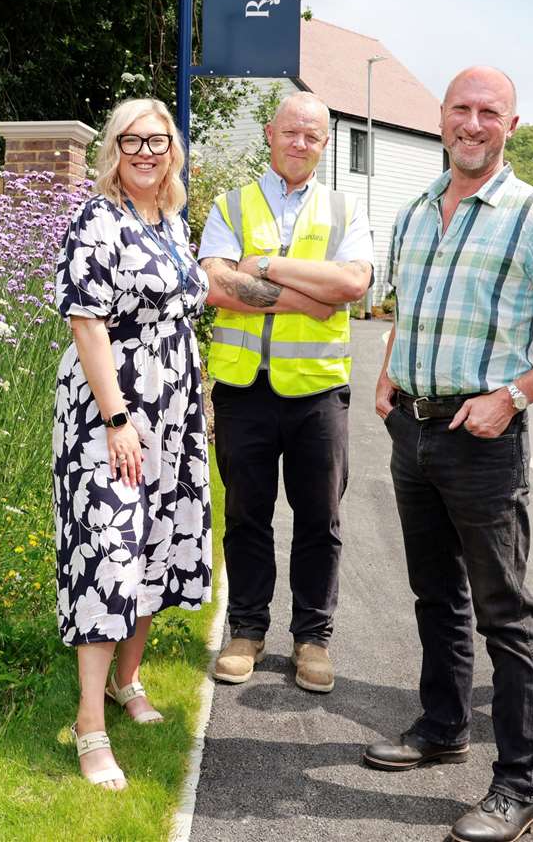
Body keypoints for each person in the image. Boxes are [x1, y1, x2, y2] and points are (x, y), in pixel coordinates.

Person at [363, 66, 533, 842]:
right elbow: (408, 311)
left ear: (511, 124)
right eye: (461, 110)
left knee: (505, 613)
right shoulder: (410, 212)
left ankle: (518, 785)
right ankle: (440, 726)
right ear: (441, 117)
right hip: (414, 429)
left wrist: (513, 395)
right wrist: (386, 377)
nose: (472, 124)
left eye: (488, 113)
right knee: (434, 595)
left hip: (483, 439)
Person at [52, 98, 212, 790]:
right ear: (113, 149)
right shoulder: (96, 219)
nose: (146, 152)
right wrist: (118, 421)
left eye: (158, 140)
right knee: (108, 551)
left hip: (172, 412)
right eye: (132, 141)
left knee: (152, 543)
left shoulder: (171, 220)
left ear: (173, 149)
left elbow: (192, 299)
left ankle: (128, 681)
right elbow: (87, 323)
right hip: (111, 412)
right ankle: (89, 723)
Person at [198, 91, 373, 694]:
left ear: (324, 146)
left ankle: (312, 640)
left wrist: (265, 267)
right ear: (270, 134)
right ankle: (246, 630)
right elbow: (216, 286)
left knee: (319, 519)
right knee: (247, 514)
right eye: (292, 132)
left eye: (314, 137)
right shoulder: (230, 204)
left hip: (318, 393)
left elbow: (352, 285)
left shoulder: (346, 211)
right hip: (245, 389)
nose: (301, 144)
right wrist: (310, 295)